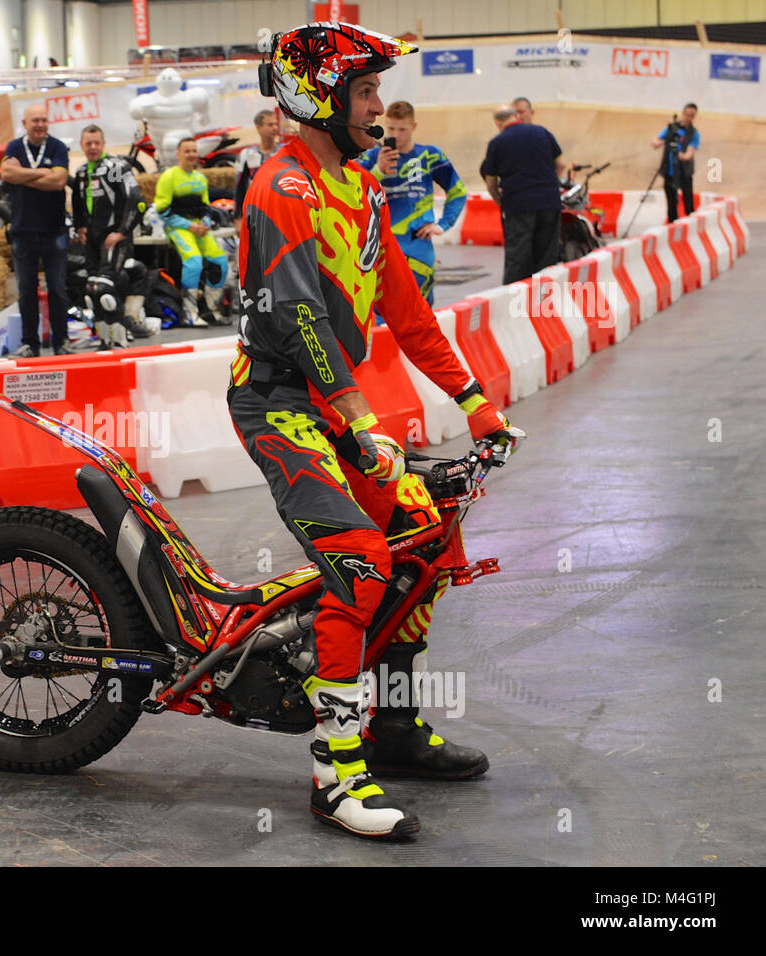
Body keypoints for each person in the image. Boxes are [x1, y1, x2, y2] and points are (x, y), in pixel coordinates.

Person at [234, 21, 524, 840]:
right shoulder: (281, 188)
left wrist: (475, 401)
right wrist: (359, 418)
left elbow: (405, 307)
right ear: (320, 97)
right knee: (360, 563)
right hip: (281, 401)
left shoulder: (357, 192)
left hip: (336, 404)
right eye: (364, 93)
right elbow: (295, 316)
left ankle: (391, 728)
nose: (380, 110)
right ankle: (336, 776)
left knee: (428, 543)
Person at [360, 101, 467, 304]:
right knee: (381, 313)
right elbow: (353, 193)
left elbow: (458, 191)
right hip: (380, 247)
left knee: (422, 311)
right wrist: (378, 171)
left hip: (418, 247)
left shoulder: (430, 155)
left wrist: (442, 225)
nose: (396, 135)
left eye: (402, 129)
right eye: (391, 128)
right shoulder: (371, 156)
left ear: (414, 127)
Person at [0, 103, 71, 357]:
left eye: (43, 120)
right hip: (23, 231)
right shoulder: (13, 147)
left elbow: (59, 181)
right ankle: (30, 343)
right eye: (35, 120)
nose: (40, 124)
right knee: (26, 291)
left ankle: (62, 341)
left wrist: (23, 174)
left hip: (55, 231)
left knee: (58, 289)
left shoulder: (58, 147)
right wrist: (41, 172)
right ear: (25, 123)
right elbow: (6, 173)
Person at [70, 124, 148, 349]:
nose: (93, 147)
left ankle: (121, 339)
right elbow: (77, 201)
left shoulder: (115, 166)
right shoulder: (83, 171)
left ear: (103, 144)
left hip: (114, 238)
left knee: (105, 289)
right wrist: (80, 227)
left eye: (97, 143)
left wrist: (122, 232)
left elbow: (137, 201)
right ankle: (105, 342)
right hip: (92, 240)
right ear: (82, 146)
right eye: (88, 143)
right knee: (91, 291)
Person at [480, 104, 567, 284]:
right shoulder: (543, 132)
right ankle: (545, 301)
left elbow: (490, 181)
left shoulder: (497, 142)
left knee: (518, 256)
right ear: (515, 116)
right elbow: (561, 165)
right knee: (547, 255)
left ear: (498, 122)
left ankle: (515, 303)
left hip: (518, 204)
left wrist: (498, 199)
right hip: (549, 202)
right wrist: (549, 184)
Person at [155, 137, 229, 327]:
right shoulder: (169, 176)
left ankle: (210, 310)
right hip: (177, 227)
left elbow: (205, 206)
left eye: (194, 151)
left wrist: (204, 223)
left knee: (220, 262)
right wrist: (189, 226)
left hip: (199, 227)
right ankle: (189, 312)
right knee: (194, 262)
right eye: (187, 151)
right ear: (178, 154)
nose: (191, 155)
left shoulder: (200, 178)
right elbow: (162, 210)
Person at [651, 103, 699, 223]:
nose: (689, 118)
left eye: (692, 115)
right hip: (670, 171)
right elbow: (656, 140)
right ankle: (673, 226)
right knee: (671, 204)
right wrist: (662, 141)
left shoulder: (694, 133)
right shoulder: (672, 128)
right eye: (687, 114)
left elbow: (689, 154)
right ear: (683, 113)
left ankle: (689, 226)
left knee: (688, 203)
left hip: (684, 173)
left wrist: (679, 154)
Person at [233, 109, 281, 220]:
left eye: (276, 124)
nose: (275, 128)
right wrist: (238, 217)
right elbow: (240, 187)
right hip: (257, 210)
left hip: (283, 206)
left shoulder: (285, 151)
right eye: (270, 125)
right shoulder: (247, 154)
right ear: (258, 127)